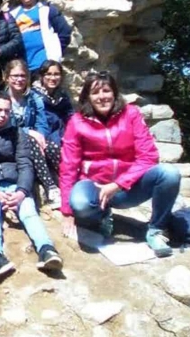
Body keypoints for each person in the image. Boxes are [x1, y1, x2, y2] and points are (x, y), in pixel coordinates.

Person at [60, 71, 181, 258]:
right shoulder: (77, 122)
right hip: (95, 187)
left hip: (128, 187)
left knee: (169, 174)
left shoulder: (131, 114)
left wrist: (117, 185)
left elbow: (148, 156)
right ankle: (102, 216)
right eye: (95, 93)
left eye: (106, 90)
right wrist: (67, 211)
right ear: (87, 97)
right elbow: (68, 166)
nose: (102, 97)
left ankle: (155, 230)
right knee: (80, 203)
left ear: (115, 93)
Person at [0, 92, 63, 285]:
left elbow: (25, 164)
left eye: (7, 111)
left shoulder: (18, 134)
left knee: (28, 212)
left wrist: (21, 192)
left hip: (16, 184)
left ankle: (46, 250)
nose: (3, 115)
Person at [3, 59, 60, 205]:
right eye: (15, 76)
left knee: (52, 147)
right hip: (12, 140)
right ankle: (51, 188)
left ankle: (66, 179)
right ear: (7, 77)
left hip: (35, 138)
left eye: (23, 76)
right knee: (32, 143)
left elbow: (42, 123)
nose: (19, 80)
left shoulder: (33, 98)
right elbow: (7, 126)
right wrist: (30, 132)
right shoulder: (2, 99)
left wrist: (41, 136)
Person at [9, 0, 72, 75]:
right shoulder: (12, 14)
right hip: (23, 67)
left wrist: (56, 52)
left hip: (44, 65)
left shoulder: (47, 10)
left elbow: (65, 32)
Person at [32, 60, 74, 147]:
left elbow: (71, 117)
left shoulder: (63, 97)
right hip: (44, 141)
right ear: (41, 76)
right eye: (48, 74)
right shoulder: (33, 97)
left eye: (56, 74)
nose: (53, 78)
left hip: (63, 139)